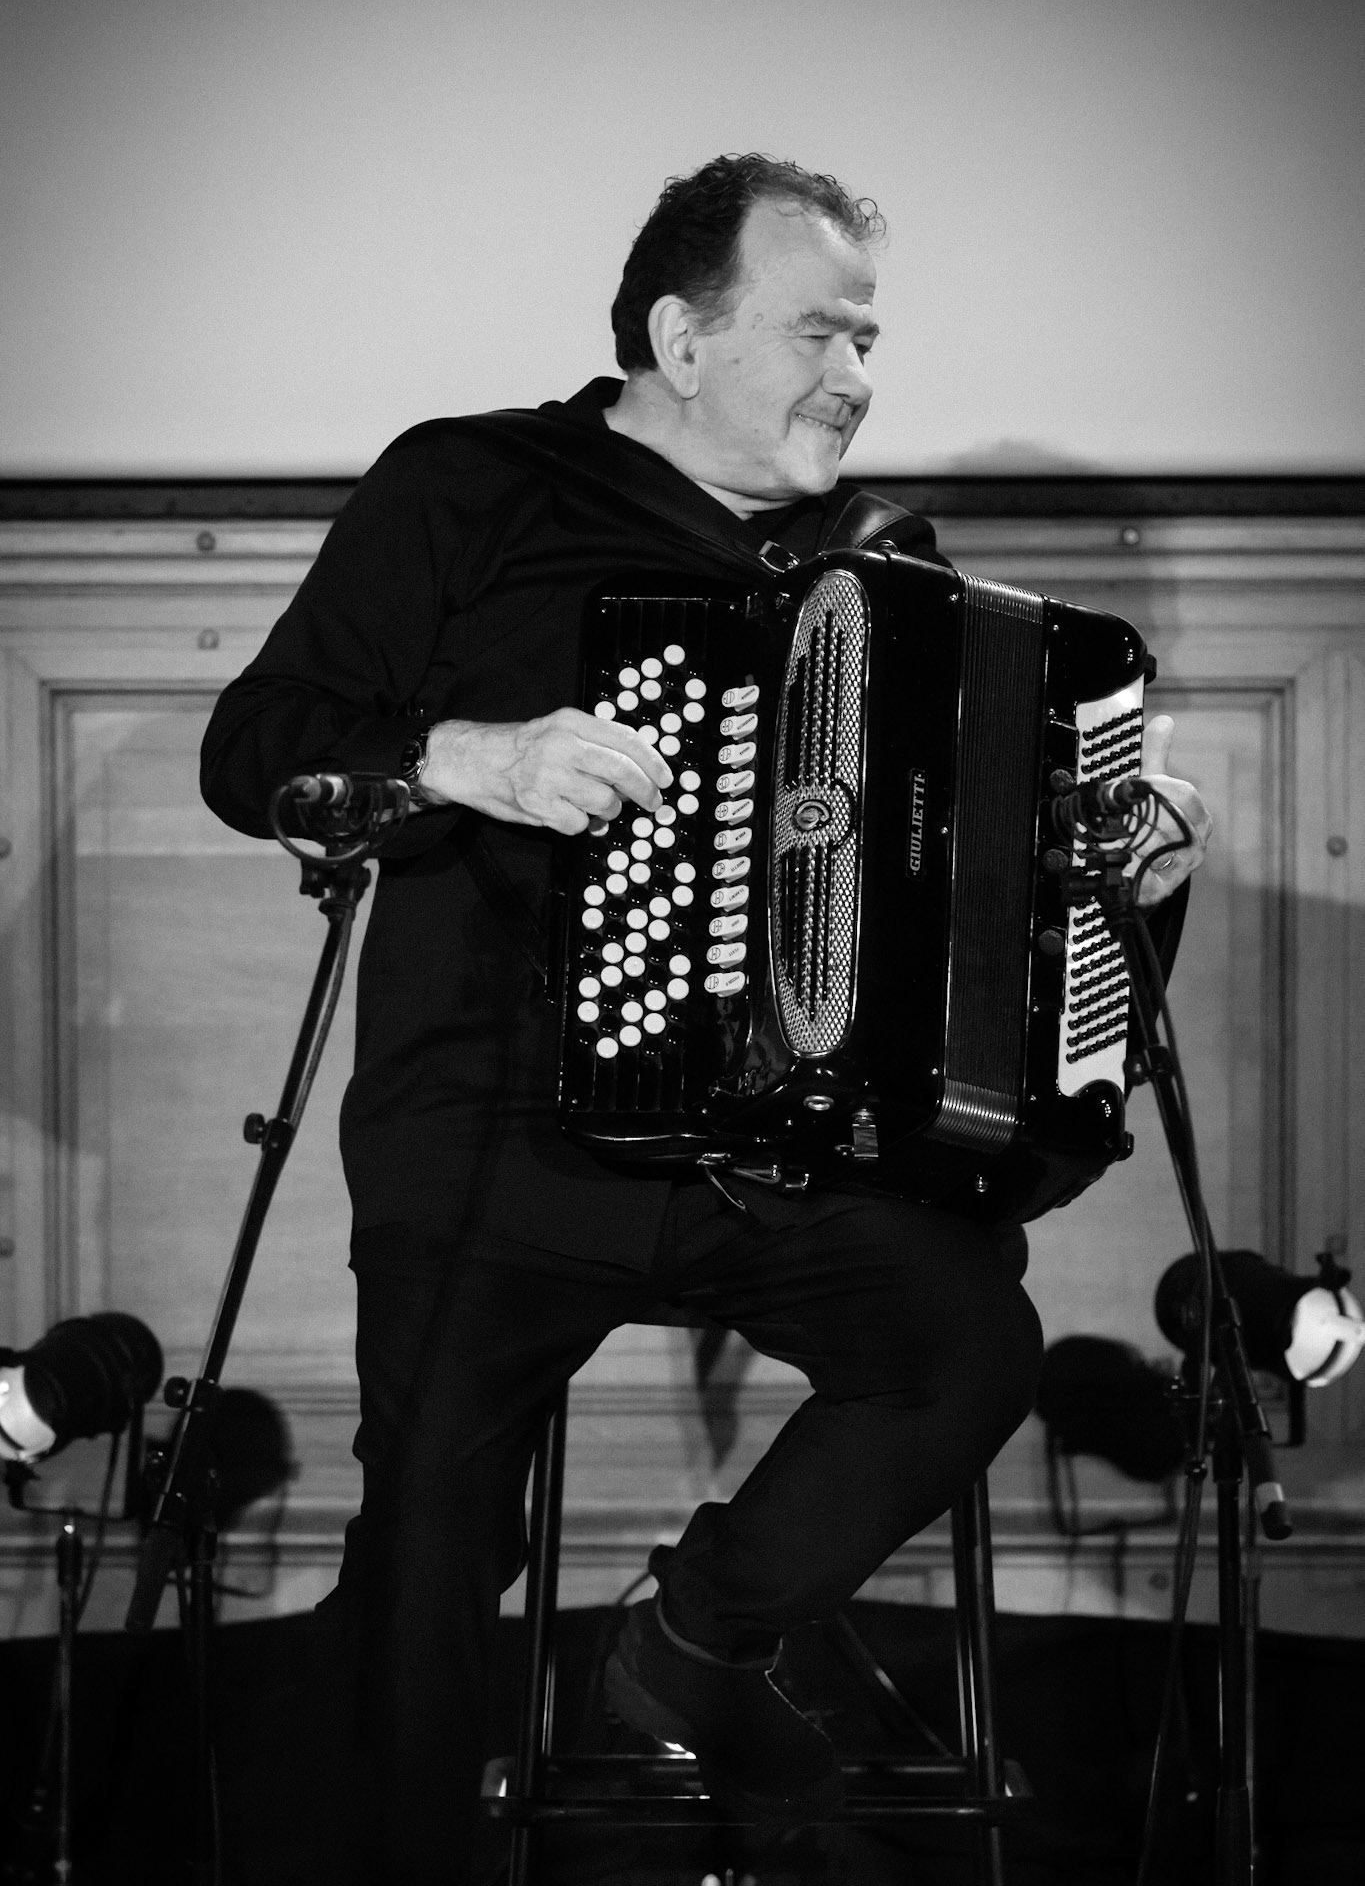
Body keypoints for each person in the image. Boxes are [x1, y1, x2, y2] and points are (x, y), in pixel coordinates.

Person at [199, 154, 1209, 1882]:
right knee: (435, 1538)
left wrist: (1113, 838)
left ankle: (685, 1641)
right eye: (821, 329)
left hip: (784, 1154)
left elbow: (977, 881)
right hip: (498, 1130)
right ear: (680, 333)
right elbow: (260, 743)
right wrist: (478, 760)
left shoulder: (879, 564)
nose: (858, 374)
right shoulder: (469, 484)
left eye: (869, 338)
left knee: (962, 1351)